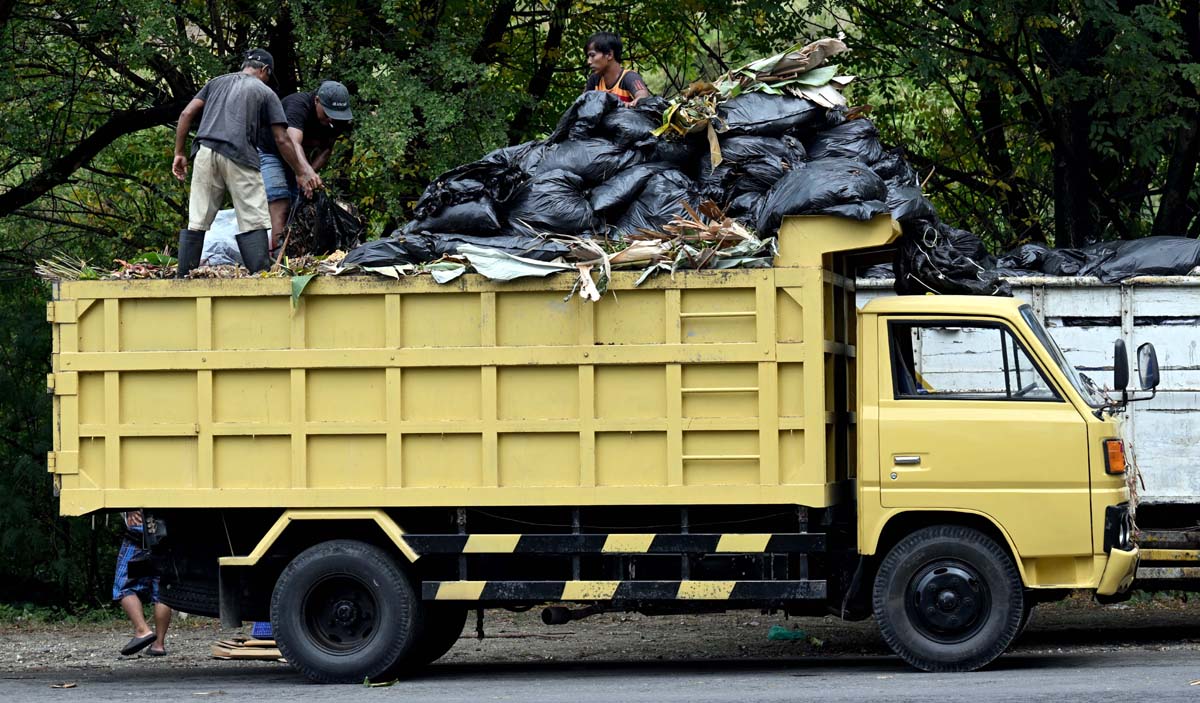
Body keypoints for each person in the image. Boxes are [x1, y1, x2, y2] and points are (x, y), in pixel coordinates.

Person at [171, 48, 320, 276]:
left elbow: (186, 114)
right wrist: (301, 171)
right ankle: (262, 276)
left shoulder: (215, 83)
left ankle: (183, 277)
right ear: (265, 70)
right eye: (269, 75)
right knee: (253, 220)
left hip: (205, 152)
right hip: (240, 155)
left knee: (198, 219)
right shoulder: (265, 92)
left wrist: (179, 152)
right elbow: (282, 138)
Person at [259, 81, 353, 250]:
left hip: (296, 160)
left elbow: (326, 150)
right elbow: (292, 142)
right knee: (280, 201)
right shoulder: (298, 105)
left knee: (298, 203)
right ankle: (279, 258)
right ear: (317, 100)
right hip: (271, 151)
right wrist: (304, 172)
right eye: (328, 113)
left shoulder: (337, 119)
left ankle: (293, 253)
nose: (331, 118)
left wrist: (310, 175)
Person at [114, 510, 171, 657]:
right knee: (161, 591)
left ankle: (142, 630)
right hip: (166, 530)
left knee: (124, 587)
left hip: (140, 530)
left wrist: (131, 507)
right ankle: (158, 644)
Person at [584, 32, 651, 106]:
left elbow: (643, 98)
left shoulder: (630, 77)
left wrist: (631, 105)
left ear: (609, 55)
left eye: (592, 55)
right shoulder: (594, 80)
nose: (589, 62)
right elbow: (583, 105)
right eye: (588, 57)